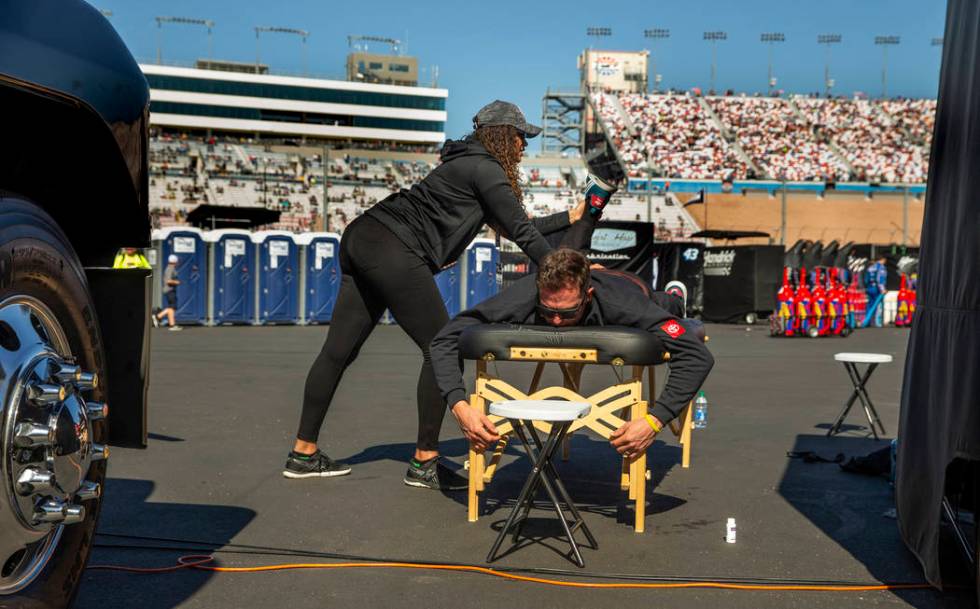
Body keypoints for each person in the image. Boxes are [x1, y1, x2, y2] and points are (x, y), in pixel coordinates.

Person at [284, 101, 603, 487]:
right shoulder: (486, 169)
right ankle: (425, 463)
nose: (525, 147)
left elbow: (513, 225)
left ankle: (303, 453)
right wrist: (566, 274)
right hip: (393, 246)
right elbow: (521, 232)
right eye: (521, 137)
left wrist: (571, 218)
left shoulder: (467, 164)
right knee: (443, 347)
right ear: (503, 135)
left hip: (365, 235)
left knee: (338, 351)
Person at [430, 248, 714, 458]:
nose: (555, 321)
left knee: (668, 306)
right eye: (547, 311)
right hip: (593, 275)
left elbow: (697, 356)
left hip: (628, 285)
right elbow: (444, 338)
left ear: (587, 296)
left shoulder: (625, 304)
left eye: (566, 312)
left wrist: (654, 420)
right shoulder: (524, 295)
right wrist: (460, 407)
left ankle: (676, 297)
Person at [153, 255, 182, 331]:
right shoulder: (170, 269)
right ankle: (171, 325)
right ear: (175, 261)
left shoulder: (170, 268)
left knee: (171, 307)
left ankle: (158, 317)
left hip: (170, 290)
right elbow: (168, 281)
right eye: (177, 261)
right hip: (169, 290)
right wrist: (176, 282)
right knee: (172, 307)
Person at [865, 255, 888, 327]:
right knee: (878, 305)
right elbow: (880, 279)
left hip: (869, 288)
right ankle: (877, 322)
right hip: (877, 289)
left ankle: (868, 321)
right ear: (882, 259)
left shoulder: (870, 267)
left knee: (870, 305)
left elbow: (866, 279)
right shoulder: (881, 267)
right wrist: (882, 289)